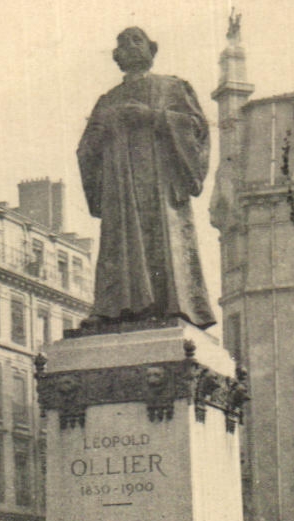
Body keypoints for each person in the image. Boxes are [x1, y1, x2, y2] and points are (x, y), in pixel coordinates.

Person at [77, 27, 216, 329]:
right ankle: (113, 307)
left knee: (163, 238)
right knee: (118, 242)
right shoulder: (107, 100)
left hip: (159, 183)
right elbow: (85, 148)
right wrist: (98, 139)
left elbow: (198, 128)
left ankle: (171, 305)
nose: (129, 47)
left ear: (152, 50)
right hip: (120, 188)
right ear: (116, 56)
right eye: (122, 43)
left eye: (136, 41)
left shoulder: (172, 87)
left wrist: (154, 118)